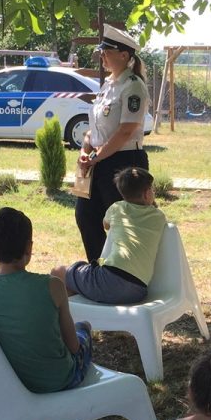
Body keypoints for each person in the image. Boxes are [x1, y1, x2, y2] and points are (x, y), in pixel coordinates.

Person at [0, 207, 94, 393]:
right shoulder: (53, 286)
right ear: (29, 247)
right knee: (83, 328)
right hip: (59, 380)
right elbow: (73, 346)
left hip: (12, 384)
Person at [74, 24, 150, 264]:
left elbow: (126, 130)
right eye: (102, 52)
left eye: (108, 52)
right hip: (99, 160)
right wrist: (85, 150)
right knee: (86, 216)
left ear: (124, 56)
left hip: (123, 162)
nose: (102, 56)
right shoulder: (108, 85)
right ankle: (98, 269)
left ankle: (124, 271)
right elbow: (94, 129)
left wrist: (96, 156)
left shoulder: (133, 85)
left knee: (121, 223)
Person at [53, 167, 166, 305]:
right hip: (138, 291)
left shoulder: (117, 208)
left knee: (58, 272)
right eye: (152, 189)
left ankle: (65, 314)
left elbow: (106, 225)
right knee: (79, 282)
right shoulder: (159, 216)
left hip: (108, 280)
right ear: (147, 194)